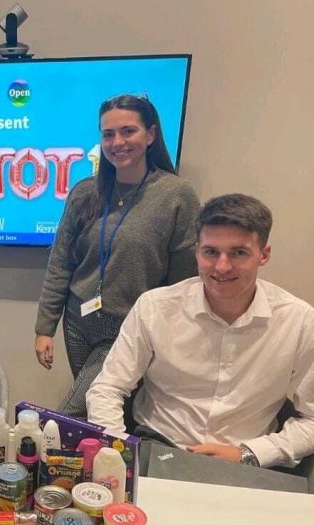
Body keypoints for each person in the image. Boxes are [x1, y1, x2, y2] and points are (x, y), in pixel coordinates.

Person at [86, 194, 314, 468]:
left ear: (264, 255)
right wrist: (118, 454)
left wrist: (252, 453)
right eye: (211, 252)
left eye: (238, 253)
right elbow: (107, 388)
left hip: (247, 462)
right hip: (159, 449)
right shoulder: (155, 308)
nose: (222, 267)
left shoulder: (299, 321)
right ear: (197, 252)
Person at [35, 94, 200, 417]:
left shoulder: (176, 195)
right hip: (78, 321)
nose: (117, 142)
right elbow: (61, 263)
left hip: (132, 326)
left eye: (128, 131)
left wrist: (174, 338)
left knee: (76, 412)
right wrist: (45, 327)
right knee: (107, 415)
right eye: (108, 134)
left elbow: (185, 279)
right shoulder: (84, 192)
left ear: (150, 135)